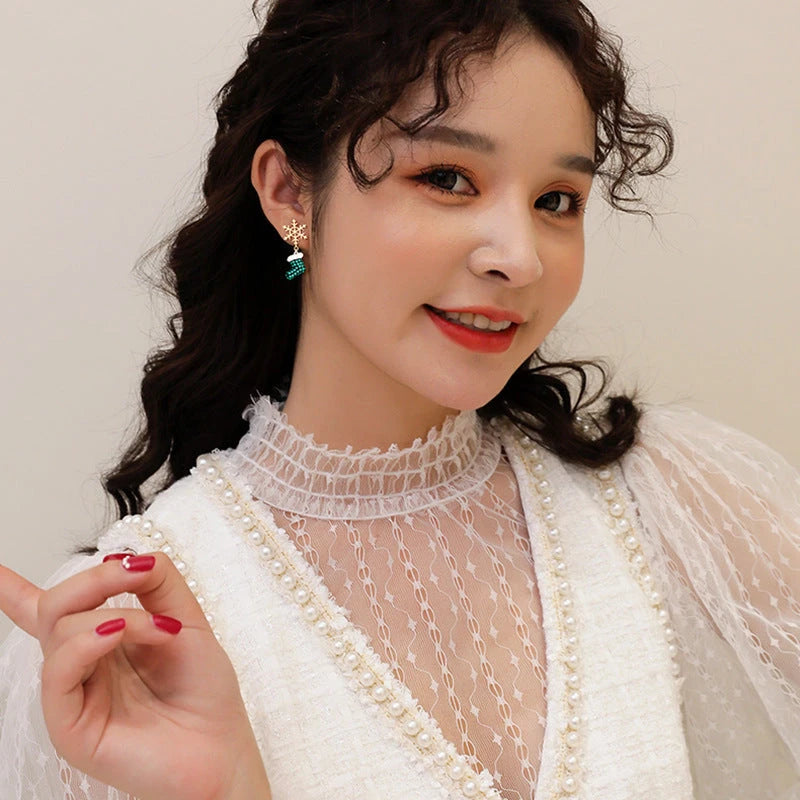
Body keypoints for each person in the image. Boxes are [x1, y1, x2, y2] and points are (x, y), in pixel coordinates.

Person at [1, 1, 798, 798]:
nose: (519, 258)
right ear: (288, 194)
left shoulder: (671, 504)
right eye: (447, 178)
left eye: (557, 200)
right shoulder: (130, 636)